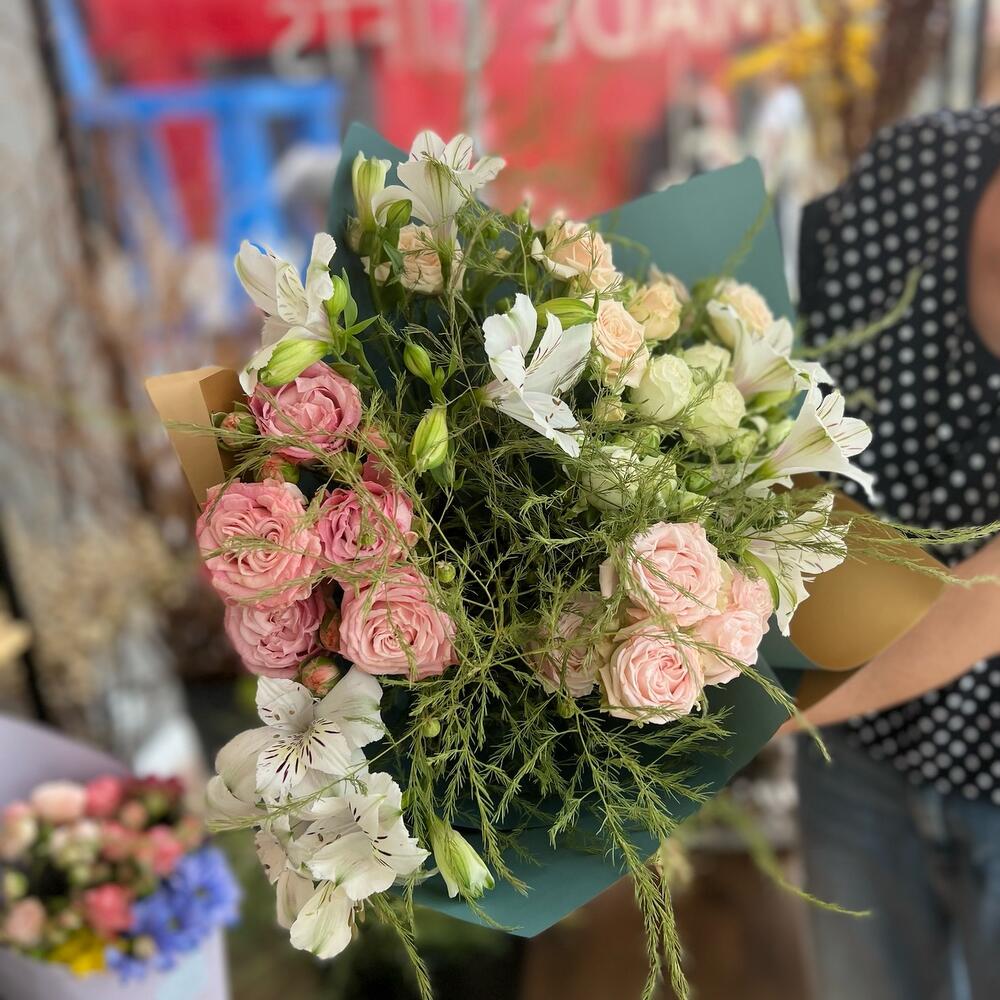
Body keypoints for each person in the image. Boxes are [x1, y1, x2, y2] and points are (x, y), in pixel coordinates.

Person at [793, 105, 1000, 1000]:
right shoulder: (915, 171)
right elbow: (800, 437)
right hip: (858, 758)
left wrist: (751, 706)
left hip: (839, 701)